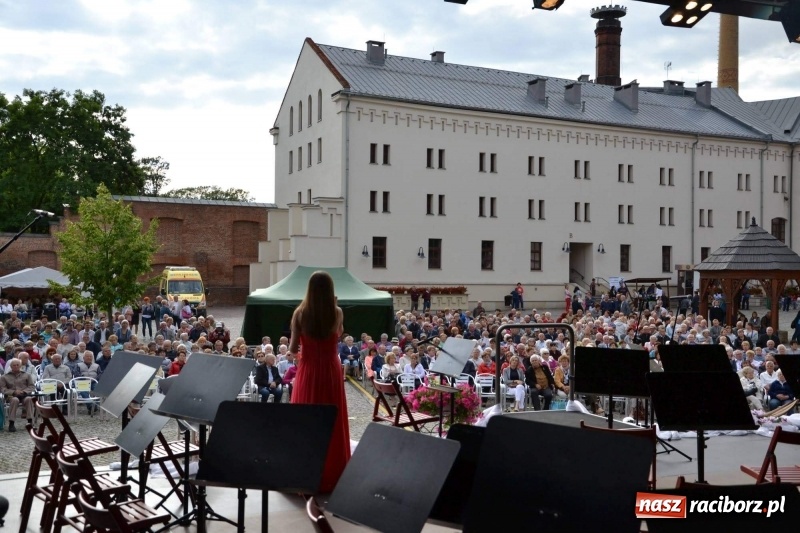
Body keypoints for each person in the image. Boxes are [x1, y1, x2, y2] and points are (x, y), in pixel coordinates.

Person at [288, 270, 350, 493]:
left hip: (309, 370)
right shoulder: (337, 312)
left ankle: (304, 472)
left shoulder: (300, 314)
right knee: (332, 421)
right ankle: (333, 474)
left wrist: (305, 354)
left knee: (306, 419)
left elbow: (293, 350)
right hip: (331, 372)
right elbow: (339, 335)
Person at [1, 358, 35, 432]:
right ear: (11, 366)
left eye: (17, 365)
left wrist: (24, 391)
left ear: (20, 366)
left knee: (29, 399)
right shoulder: (4, 377)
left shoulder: (27, 375)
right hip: (11, 396)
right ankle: (11, 423)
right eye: (14, 365)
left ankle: (30, 421)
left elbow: (32, 386)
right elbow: (3, 389)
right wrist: (13, 392)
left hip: (24, 395)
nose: (16, 366)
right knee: (15, 400)